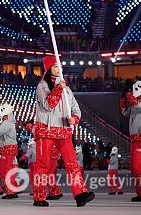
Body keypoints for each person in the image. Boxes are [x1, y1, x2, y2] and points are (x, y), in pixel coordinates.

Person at [32, 57, 94, 207]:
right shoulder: (42, 86)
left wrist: (74, 118)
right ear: (48, 69)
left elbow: (76, 109)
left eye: (58, 66)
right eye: (54, 67)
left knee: (72, 163)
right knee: (43, 164)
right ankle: (39, 197)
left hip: (64, 132)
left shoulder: (66, 89)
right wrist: (59, 88)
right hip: (46, 131)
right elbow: (48, 105)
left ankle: (80, 194)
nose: (58, 69)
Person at [0, 102, 18, 199]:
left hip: (8, 148)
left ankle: (10, 191)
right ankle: (12, 190)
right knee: (9, 169)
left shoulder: (7, 122)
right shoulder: (10, 121)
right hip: (10, 147)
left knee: (5, 170)